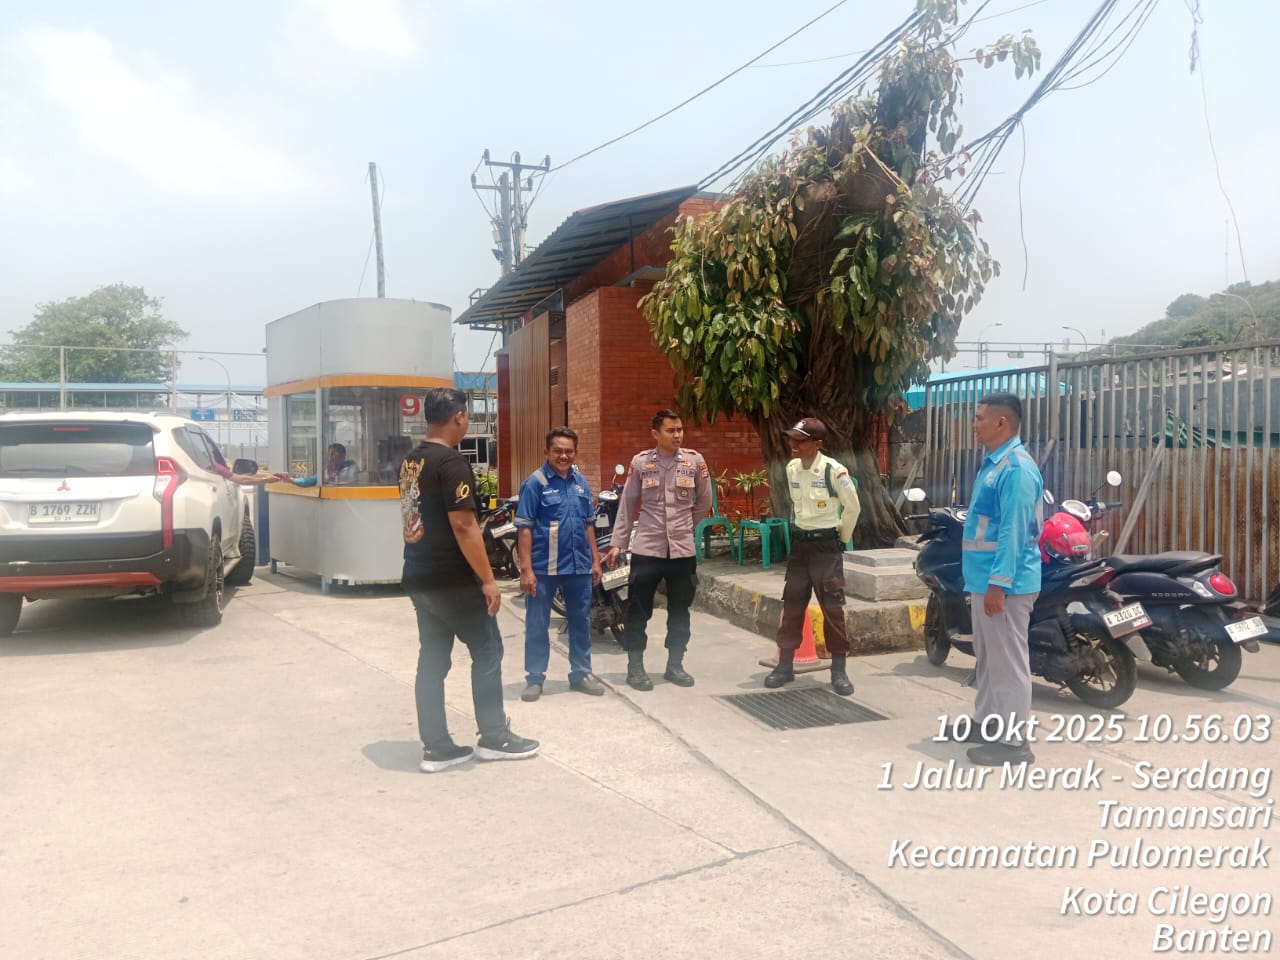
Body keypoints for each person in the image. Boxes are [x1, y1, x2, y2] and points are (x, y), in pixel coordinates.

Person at [399, 387, 538, 772]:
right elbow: (464, 526)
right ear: (459, 416)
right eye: (468, 417)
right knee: (488, 650)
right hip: (453, 580)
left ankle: (436, 747)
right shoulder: (451, 462)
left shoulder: (411, 460)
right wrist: (489, 580)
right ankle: (494, 736)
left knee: (432, 661)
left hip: (419, 575)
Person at [952, 392, 1043, 767]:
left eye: (979, 418)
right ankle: (987, 721)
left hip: (1006, 584)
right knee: (988, 659)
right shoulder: (995, 462)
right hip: (984, 579)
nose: (974, 424)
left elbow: (1013, 532)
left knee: (1008, 663)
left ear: (1001, 422)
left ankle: (1014, 742)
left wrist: (998, 585)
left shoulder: (1016, 469)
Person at [603, 409, 712, 691]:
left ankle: (675, 665)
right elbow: (628, 503)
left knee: (680, 610)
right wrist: (618, 543)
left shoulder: (694, 461)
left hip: (682, 551)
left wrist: (685, 527)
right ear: (655, 433)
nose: (677, 435)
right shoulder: (641, 463)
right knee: (638, 610)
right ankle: (635, 668)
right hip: (647, 549)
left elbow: (704, 501)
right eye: (670, 430)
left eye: (680, 430)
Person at [764, 417, 862, 696]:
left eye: (800, 440)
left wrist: (840, 538)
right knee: (792, 605)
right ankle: (785, 666)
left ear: (817, 444)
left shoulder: (834, 470)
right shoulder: (792, 469)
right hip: (800, 547)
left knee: (832, 609)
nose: (793, 444)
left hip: (825, 547)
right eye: (792, 438)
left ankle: (839, 671)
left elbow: (853, 508)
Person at [514, 427, 605, 701]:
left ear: (575, 453)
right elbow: (525, 528)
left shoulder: (580, 482)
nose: (563, 456)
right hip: (544, 569)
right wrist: (526, 570)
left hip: (578, 567)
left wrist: (595, 560)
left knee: (581, 622)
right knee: (537, 624)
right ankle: (534, 678)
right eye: (558, 451)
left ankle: (581, 673)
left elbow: (589, 524)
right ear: (547, 452)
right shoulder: (535, 483)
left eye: (568, 451)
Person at [283, 443, 357, 487]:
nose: (330, 457)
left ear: (343, 456)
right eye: (329, 454)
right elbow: (308, 481)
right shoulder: (326, 473)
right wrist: (291, 480)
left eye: (333, 454)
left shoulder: (350, 467)